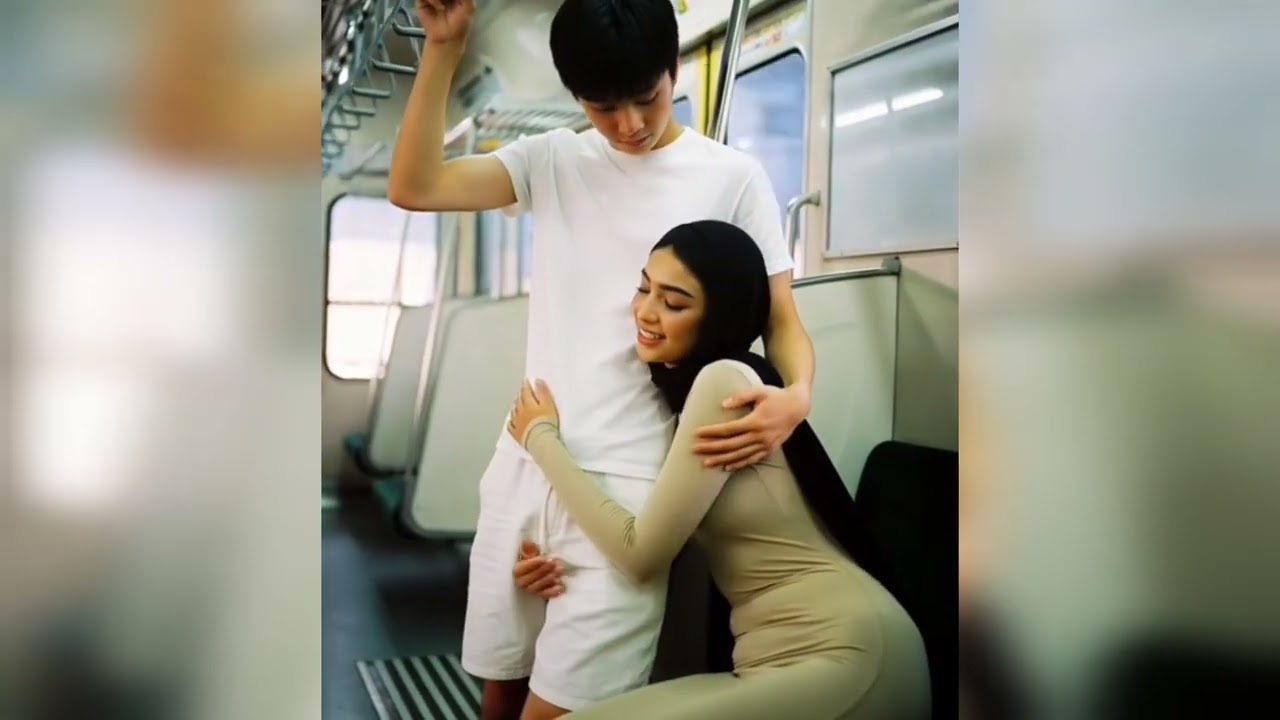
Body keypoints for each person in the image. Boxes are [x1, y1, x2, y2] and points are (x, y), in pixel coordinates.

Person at [389, 2, 817, 718]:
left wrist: (798, 395)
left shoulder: (731, 177)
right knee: (499, 696)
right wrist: (443, 49)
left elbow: (782, 321)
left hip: (631, 486)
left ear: (673, 71)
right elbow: (416, 187)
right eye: (602, 108)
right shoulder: (552, 160)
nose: (629, 126)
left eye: (646, 99)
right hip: (525, 461)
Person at [506, 220, 930, 720]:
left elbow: (640, 553)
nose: (645, 311)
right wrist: (561, 560)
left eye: (675, 302)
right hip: (770, 662)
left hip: (846, 654)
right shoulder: (687, 400)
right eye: (645, 287)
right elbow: (656, 545)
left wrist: (540, 437)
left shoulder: (723, 382)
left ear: (719, 317)